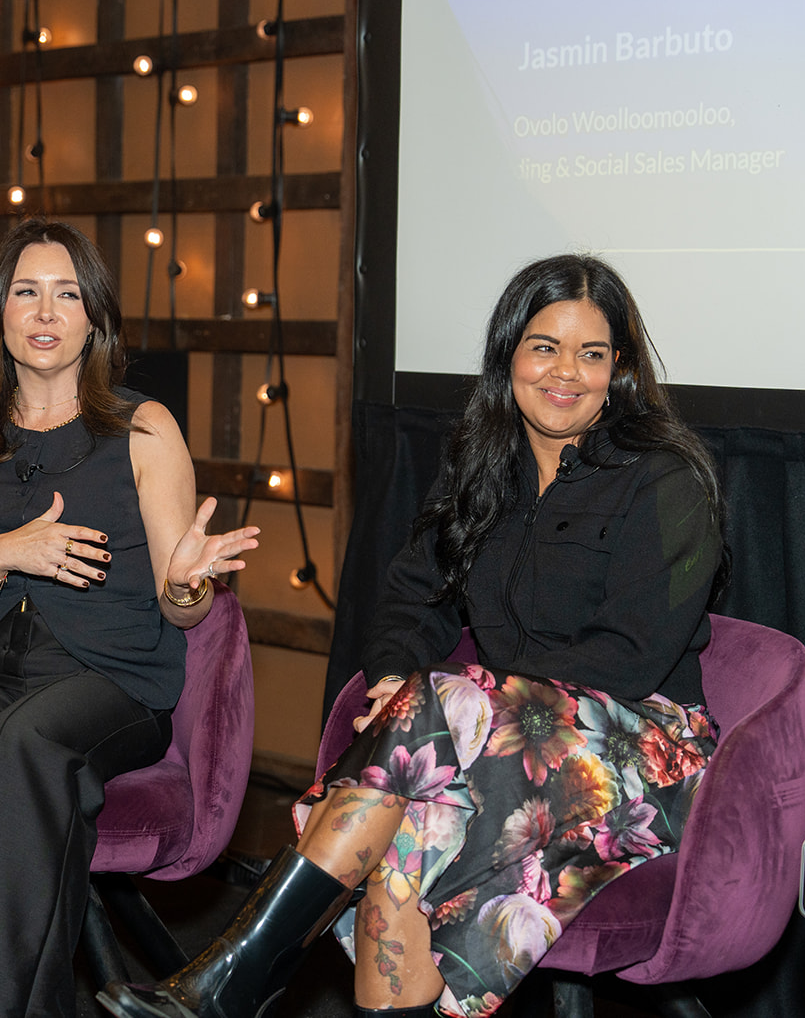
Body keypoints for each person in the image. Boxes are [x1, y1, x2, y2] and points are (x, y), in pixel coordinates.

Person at [100, 254, 725, 1018]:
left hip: (647, 754)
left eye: (592, 353)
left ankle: (236, 974)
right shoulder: (480, 468)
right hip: (506, 740)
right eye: (544, 346)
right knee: (415, 824)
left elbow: (630, 655)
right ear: (509, 357)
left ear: (618, 368)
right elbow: (408, 598)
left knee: (440, 725)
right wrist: (401, 678)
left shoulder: (665, 478)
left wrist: (461, 702)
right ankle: (239, 978)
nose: (567, 371)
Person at [0, 218, 261, 1018]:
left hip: (110, 676)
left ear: (94, 318)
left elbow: (185, 605)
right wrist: (1, 554)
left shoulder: (143, 428)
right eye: (25, 292)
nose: (45, 311)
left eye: (67, 294)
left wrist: (185, 582)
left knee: (23, 744)